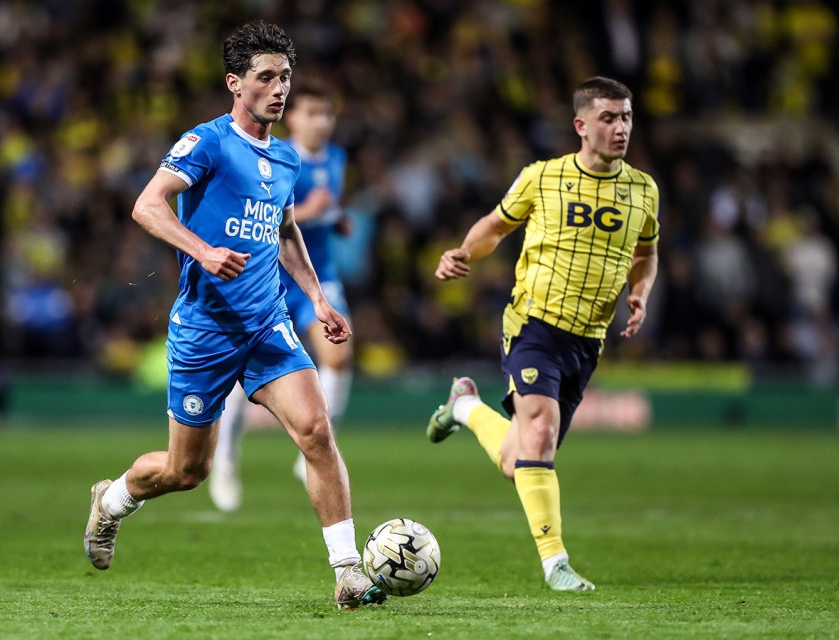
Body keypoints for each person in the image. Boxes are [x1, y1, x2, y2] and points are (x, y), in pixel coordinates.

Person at [82, 21, 386, 610]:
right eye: (266, 77)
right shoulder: (208, 142)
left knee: (316, 431)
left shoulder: (288, 158)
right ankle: (113, 499)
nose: (280, 89)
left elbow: (286, 231)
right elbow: (147, 205)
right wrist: (202, 250)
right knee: (184, 471)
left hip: (268, 323)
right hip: (205, 330)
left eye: (285, 77)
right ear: (235, 83)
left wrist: (318, 299)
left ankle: (347, 571)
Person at [426, 76, 659, 592]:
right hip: (535, 324)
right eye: (608, 118)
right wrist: (464, 252)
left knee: (520, 459)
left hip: (588, 339)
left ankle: (464, 407)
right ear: (581, 125)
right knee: (540, 431)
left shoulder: (644, 189)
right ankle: (556, 565)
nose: (620, 128)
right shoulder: (543, 177)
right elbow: (494, 226)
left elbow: (646, 252)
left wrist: (640, 291)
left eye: (626, 117)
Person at [209, 79, 353, 512]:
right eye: (312, 113)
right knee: (240, 382)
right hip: (266, 277)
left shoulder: (337, 158)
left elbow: (324, 211)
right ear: (293, 118)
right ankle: (225, 459)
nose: (321, 122)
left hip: (317, 275)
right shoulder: (274, 156)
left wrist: (336, 219)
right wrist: (310, 212)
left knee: (339, 357)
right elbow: (266, 219)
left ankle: (314, 449)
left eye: (327, 114)